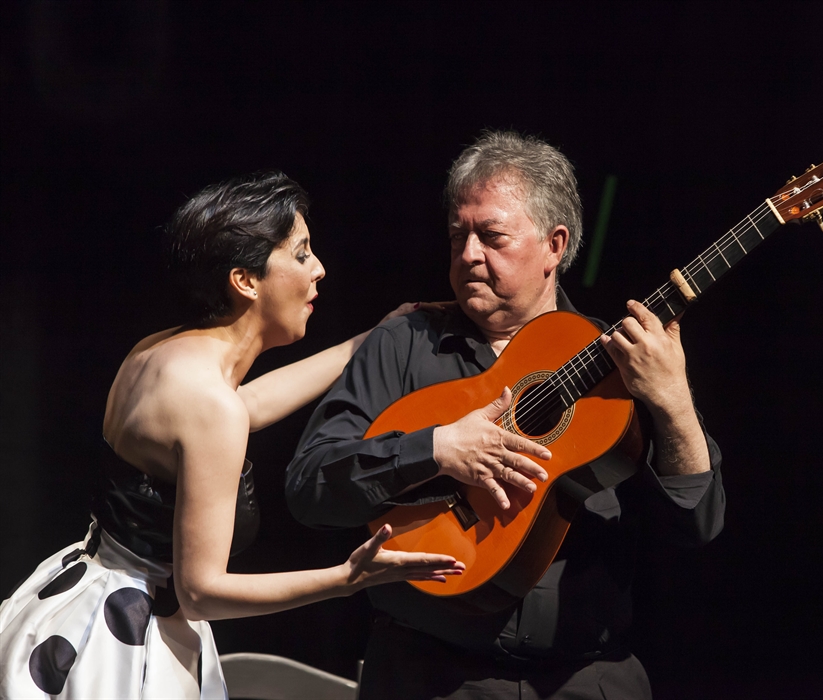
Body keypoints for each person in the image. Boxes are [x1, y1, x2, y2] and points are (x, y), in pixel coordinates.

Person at [286, 131, 725, 699]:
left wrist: (673, 399)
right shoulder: (405, 342)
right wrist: (435, 449)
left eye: (492, 236)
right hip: (427, 678)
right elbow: (308, 487)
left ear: (554, 245)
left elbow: (696, 526)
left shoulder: (625, 363)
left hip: (586, 682)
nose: (469, 253)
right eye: (457, 236)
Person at [0, 171, 464, 699]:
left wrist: (369, 340)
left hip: (83, 591)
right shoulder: (207, 403)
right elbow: (201, 593)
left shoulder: (161, 350)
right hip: (126, 635)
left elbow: (246, 406)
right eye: (301, 254)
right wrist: (348, 578)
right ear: (246, 280)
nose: (319, 270)